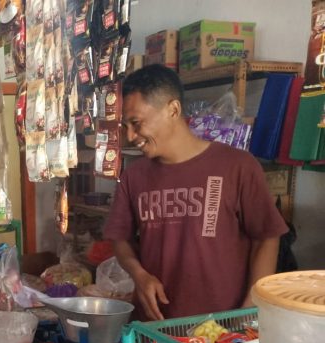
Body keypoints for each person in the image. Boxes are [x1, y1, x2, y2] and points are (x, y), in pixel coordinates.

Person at [104, 64, 288, 321]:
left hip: (222, 327)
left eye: (136, 123)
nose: (132, 136)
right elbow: (120, 239)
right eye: (126, 126)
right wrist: (139, 274)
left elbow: (266, 237)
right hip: (155, 325)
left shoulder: (237, 166)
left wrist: (250, 307)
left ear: (173, 109)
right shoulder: (133, 176)